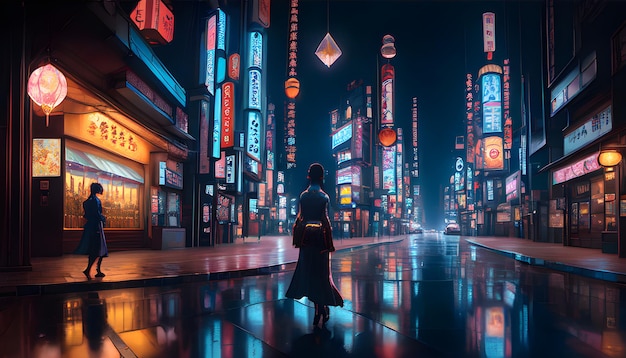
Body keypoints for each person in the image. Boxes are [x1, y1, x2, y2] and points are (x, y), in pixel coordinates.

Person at [286, 163, 343, 327]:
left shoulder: (303, 196)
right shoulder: (324, 197)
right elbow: (325, 221)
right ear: (322, 177)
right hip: (320, 240)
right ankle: (321, 307)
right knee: (321, 275)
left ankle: (319, 309)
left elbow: (300, 218)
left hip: (306, 239)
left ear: (308, 175)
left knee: (309, 273)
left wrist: (297, 238)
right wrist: (330, 243)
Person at [75, 183, 108, 279]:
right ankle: (94, 269)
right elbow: (97, 214)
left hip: (90, 226)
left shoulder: (87, 201)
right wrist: (103, 218)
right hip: (96, 226)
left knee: (93, 248)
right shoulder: (96, 201)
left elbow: (86, 215)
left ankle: (90, 269)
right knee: (100, 248)